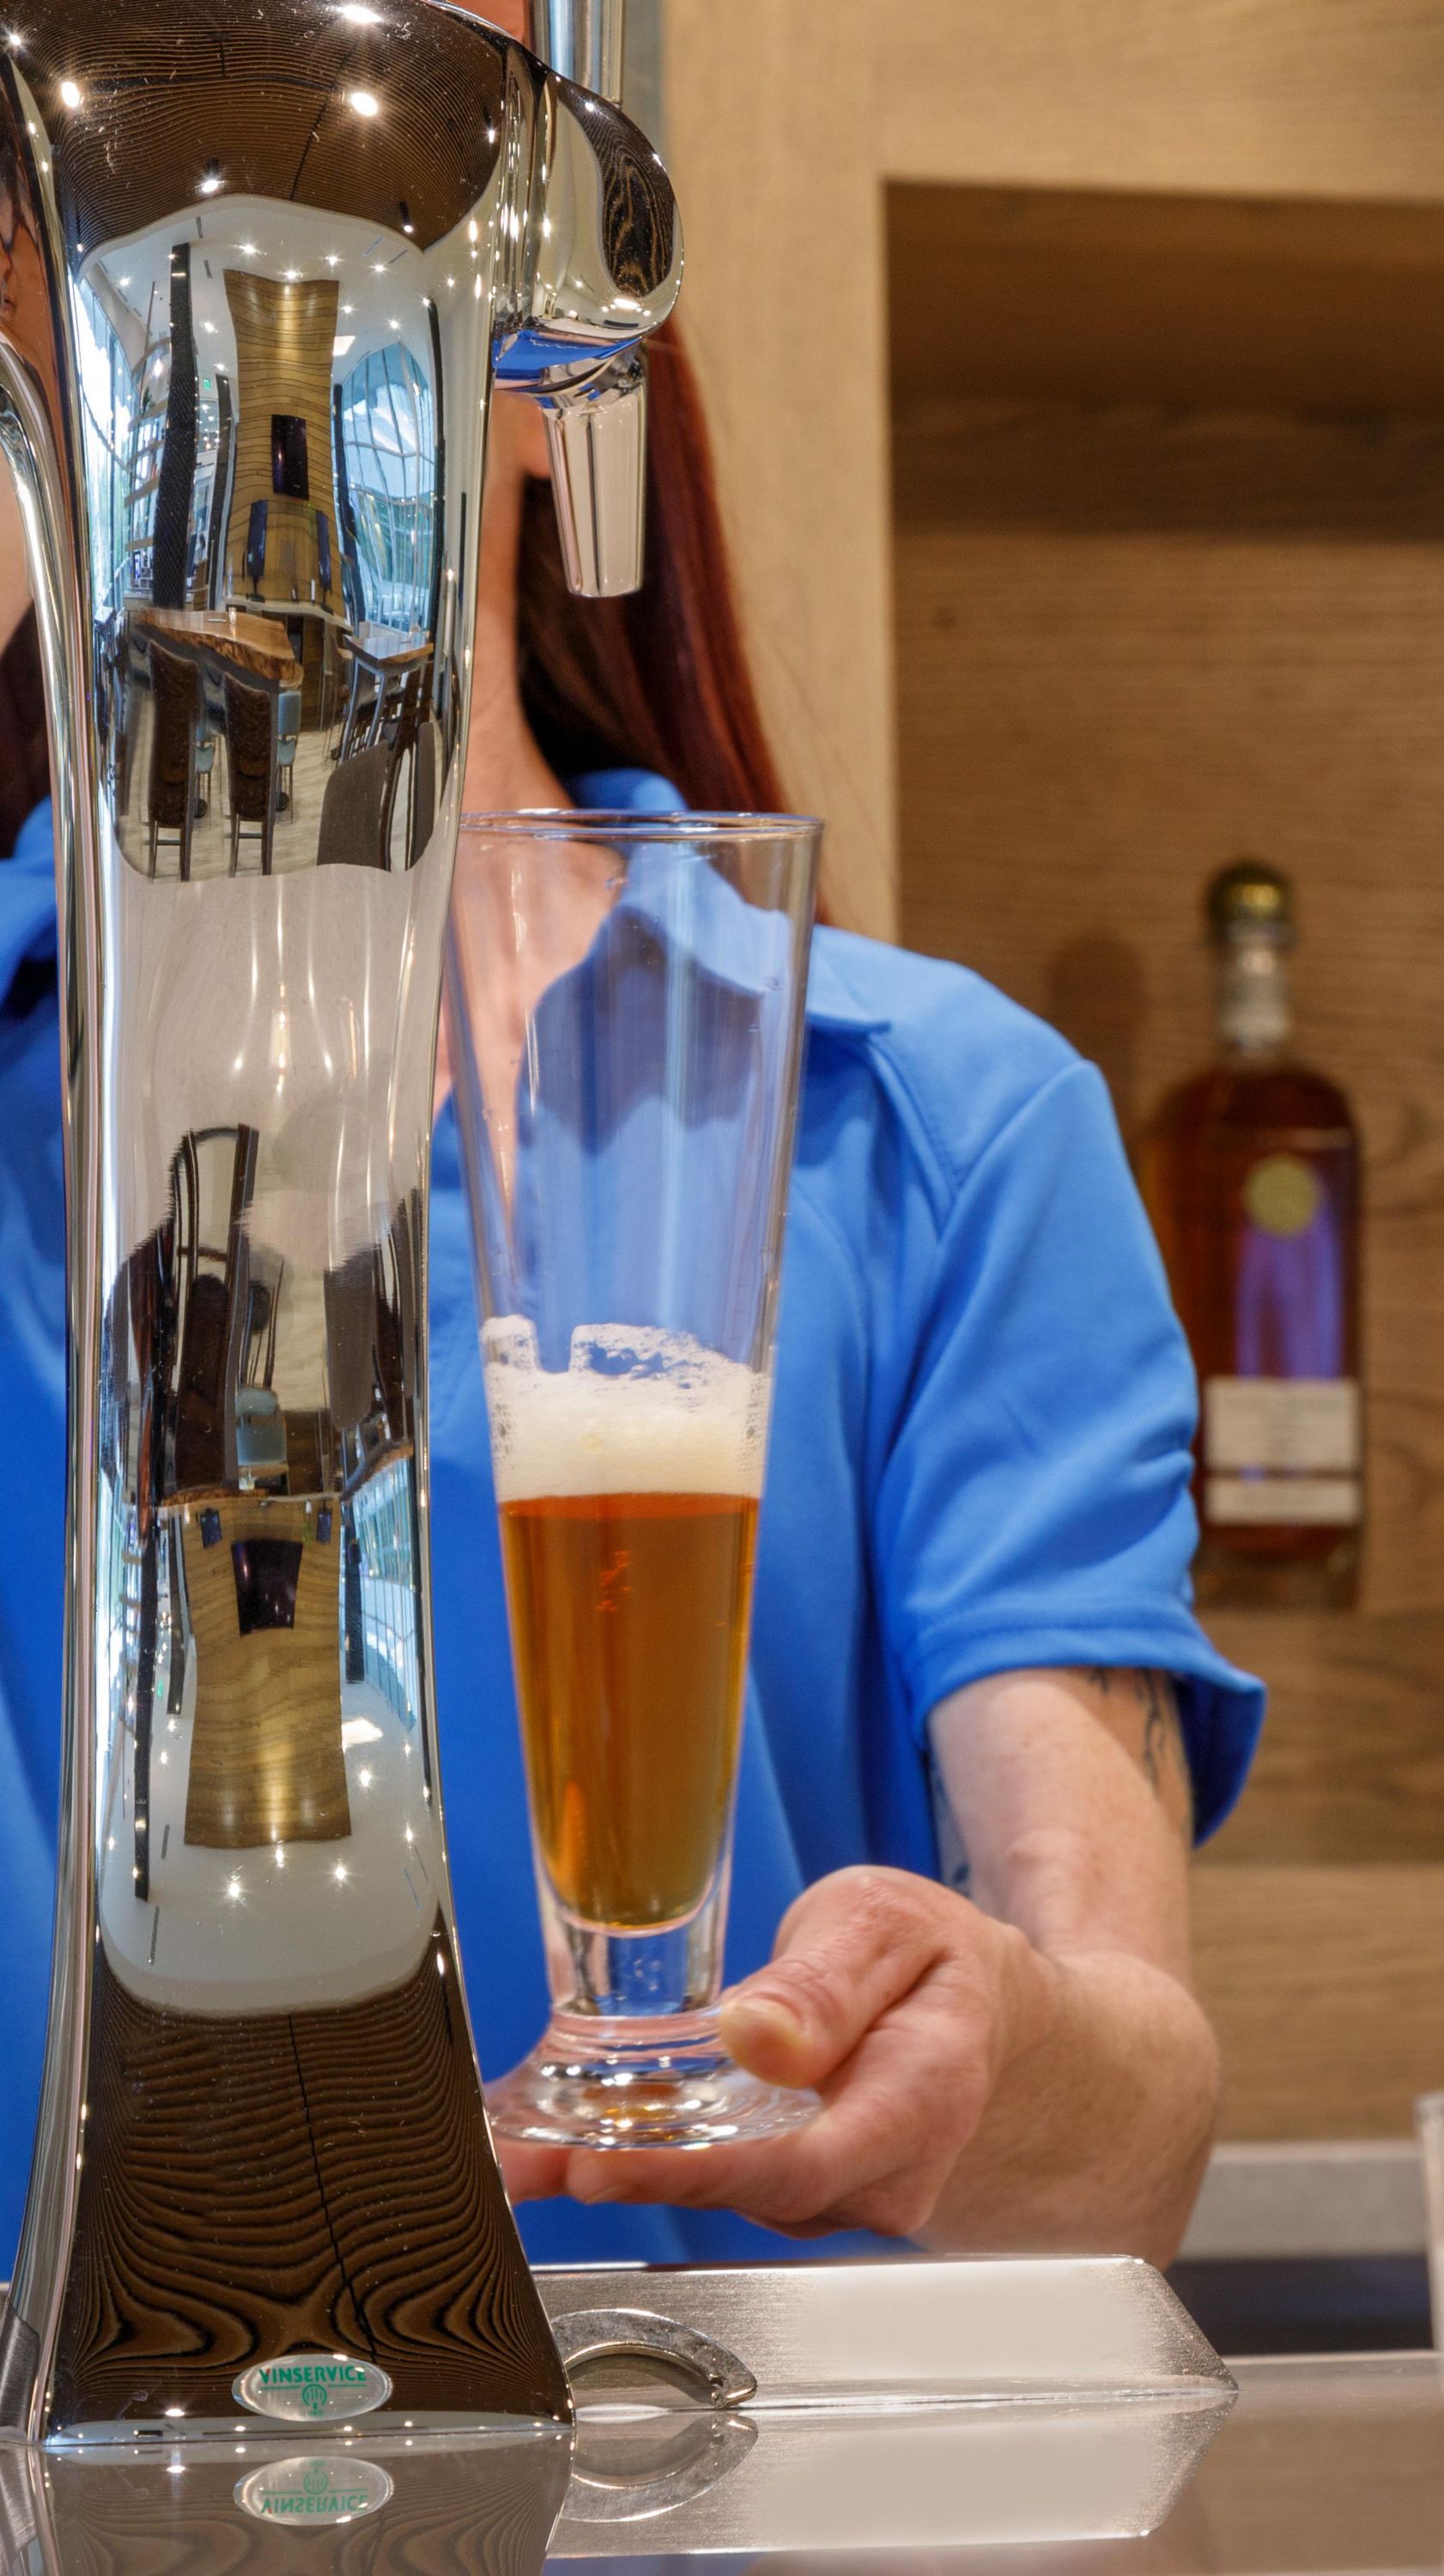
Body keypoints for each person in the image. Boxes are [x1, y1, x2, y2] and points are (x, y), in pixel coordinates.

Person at [0, 264, 1260, 2255]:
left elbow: (1132, 2147)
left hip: (721, 2502)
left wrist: (994, 2052)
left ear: (557, 368)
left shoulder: (935, 1121)